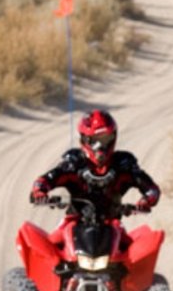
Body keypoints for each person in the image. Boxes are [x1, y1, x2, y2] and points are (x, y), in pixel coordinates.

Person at [30, 109, 160, 254]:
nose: (101, 147)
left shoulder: (123, 164)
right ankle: (37, 277)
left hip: (112, 225)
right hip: (73, 221)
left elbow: (151, 189)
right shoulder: (74, 162)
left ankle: (139, 277)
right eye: (95, 141)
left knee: (134, 256)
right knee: (48, 250)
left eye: (106, 140)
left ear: (114, 138)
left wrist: (145, 202)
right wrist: (40, 192)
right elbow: (44, 180)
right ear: (84, 139)